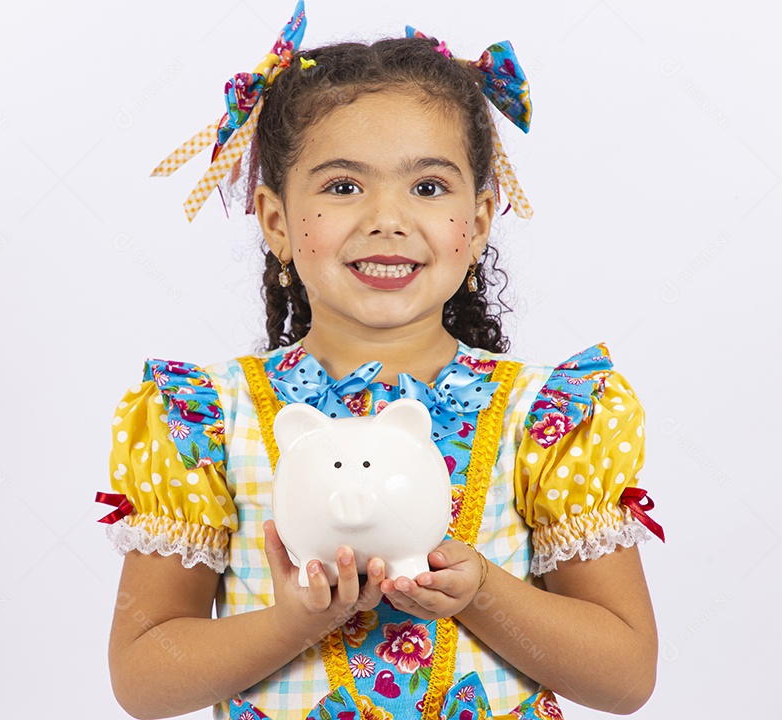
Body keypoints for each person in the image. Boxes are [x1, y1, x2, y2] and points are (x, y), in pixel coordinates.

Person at [95, 3, 664, 718]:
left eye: (427, 187)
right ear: (275, 220)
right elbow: (144, 680)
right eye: (343, 187)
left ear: (479, 221)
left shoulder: (545, 420)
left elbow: (625, 677)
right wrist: (292, 623)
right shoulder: (207, 420)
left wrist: (483, 591)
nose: (388, 219)